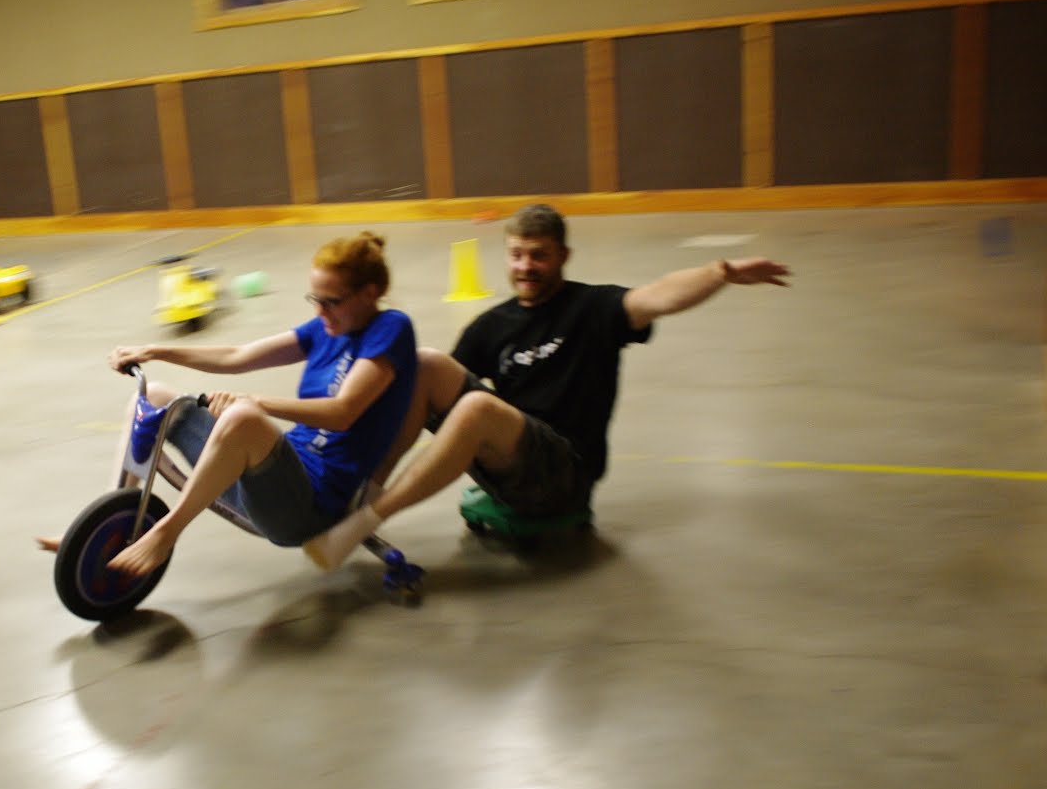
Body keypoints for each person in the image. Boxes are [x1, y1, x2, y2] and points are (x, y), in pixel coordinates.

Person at [302, 203, 791, 569]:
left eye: (539, 256)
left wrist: (720, 272)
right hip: (509, 467)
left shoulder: (594, 308)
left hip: (564, 475)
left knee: (475, 410)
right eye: (516, 255)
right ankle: (364, 493)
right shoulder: (492, 326)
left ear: (563, 256)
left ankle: (364, 523)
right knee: (426, 364)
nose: (526, 267)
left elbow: (659, 296)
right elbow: (419, 397)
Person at [38, 231, 418, 578]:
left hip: (309, 508)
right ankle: (108, 524)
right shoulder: (326, 327)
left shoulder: (390, 328)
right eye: (315, 300)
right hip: (266, 485)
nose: (320, 312)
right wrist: (155, 350)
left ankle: (165, 534)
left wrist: (255, 402)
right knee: (154, 396)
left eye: (331, 302)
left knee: (244, 418)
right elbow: (238, 356)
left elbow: (344, 413)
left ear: (369, 293)